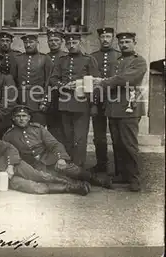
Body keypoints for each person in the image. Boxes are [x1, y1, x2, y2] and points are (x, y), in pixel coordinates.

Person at [0, 118, 90, 195]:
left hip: (13, 164)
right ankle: (68, 188)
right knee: (32, 187)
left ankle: (74, 185)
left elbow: (10, 148)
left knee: (40, 176)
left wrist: (10, 166)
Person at [3, 105, 112, 188]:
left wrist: (61, 158)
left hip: (48, 159)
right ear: (13, 118)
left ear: (29, 117)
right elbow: (9, 153)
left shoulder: (38, 129)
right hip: (33, 166)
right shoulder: (9, 135)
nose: (21, 119)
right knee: (53, 178)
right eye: (18, 116)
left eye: (24, 116)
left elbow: (54, 144)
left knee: (72, 170)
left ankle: (95, 180)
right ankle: (78, 186)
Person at [94, 32, 147, 192]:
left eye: (127, 42)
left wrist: (104, 82)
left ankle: (134, 178)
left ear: (134, 42)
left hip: (129, 107)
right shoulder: (116, 62)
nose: (124, 45)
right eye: (122, 42)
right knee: (117, 143)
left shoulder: (139, 61)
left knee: (129, 144)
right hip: (113, 108)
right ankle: (121, 174)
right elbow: (113, 82)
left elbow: (126, 79)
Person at [49, 33, 100, 167]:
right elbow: (53, 79)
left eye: (74, 43)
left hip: (82, 104)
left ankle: (79, 167)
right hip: (64, 103)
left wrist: (94, 104)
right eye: (69, 44)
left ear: (80, 43)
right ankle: (69, 167)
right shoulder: (62, 60)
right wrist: (63, 86)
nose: (71, 46)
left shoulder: (89, 60)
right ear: (65, 45)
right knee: (67, 137)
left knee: (80, 138)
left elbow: (96, 83)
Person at [89, 27, 121, 173]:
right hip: (99, 101)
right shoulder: (93, 56)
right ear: (99, 39)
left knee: (116, 135)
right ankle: (101, 164)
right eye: (103, 37)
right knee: (99, 136)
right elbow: (91, 82)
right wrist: (93, 103)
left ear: (113, 38)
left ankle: (119, 168)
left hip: (115, 101)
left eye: (108, 36)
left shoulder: (119, 56)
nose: (105, 39)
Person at [11, 34, 53, 125]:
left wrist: (45, 101)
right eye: (26, 43)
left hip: (38, 100)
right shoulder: (17, 58)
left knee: (37, 128)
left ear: (37, 43)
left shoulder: (45, 58)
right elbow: (13, 81)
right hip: (21, 100)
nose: (28, 45)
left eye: (31, 42)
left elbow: (49, 82)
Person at [42, 28, 67, 143]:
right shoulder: (44, 57)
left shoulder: (66, 57)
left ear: (61, 41)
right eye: (50, 40)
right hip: (47, 96)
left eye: (56, 40)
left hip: (62, 96)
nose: (53, 42)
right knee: (51, 127)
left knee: (63, 127)